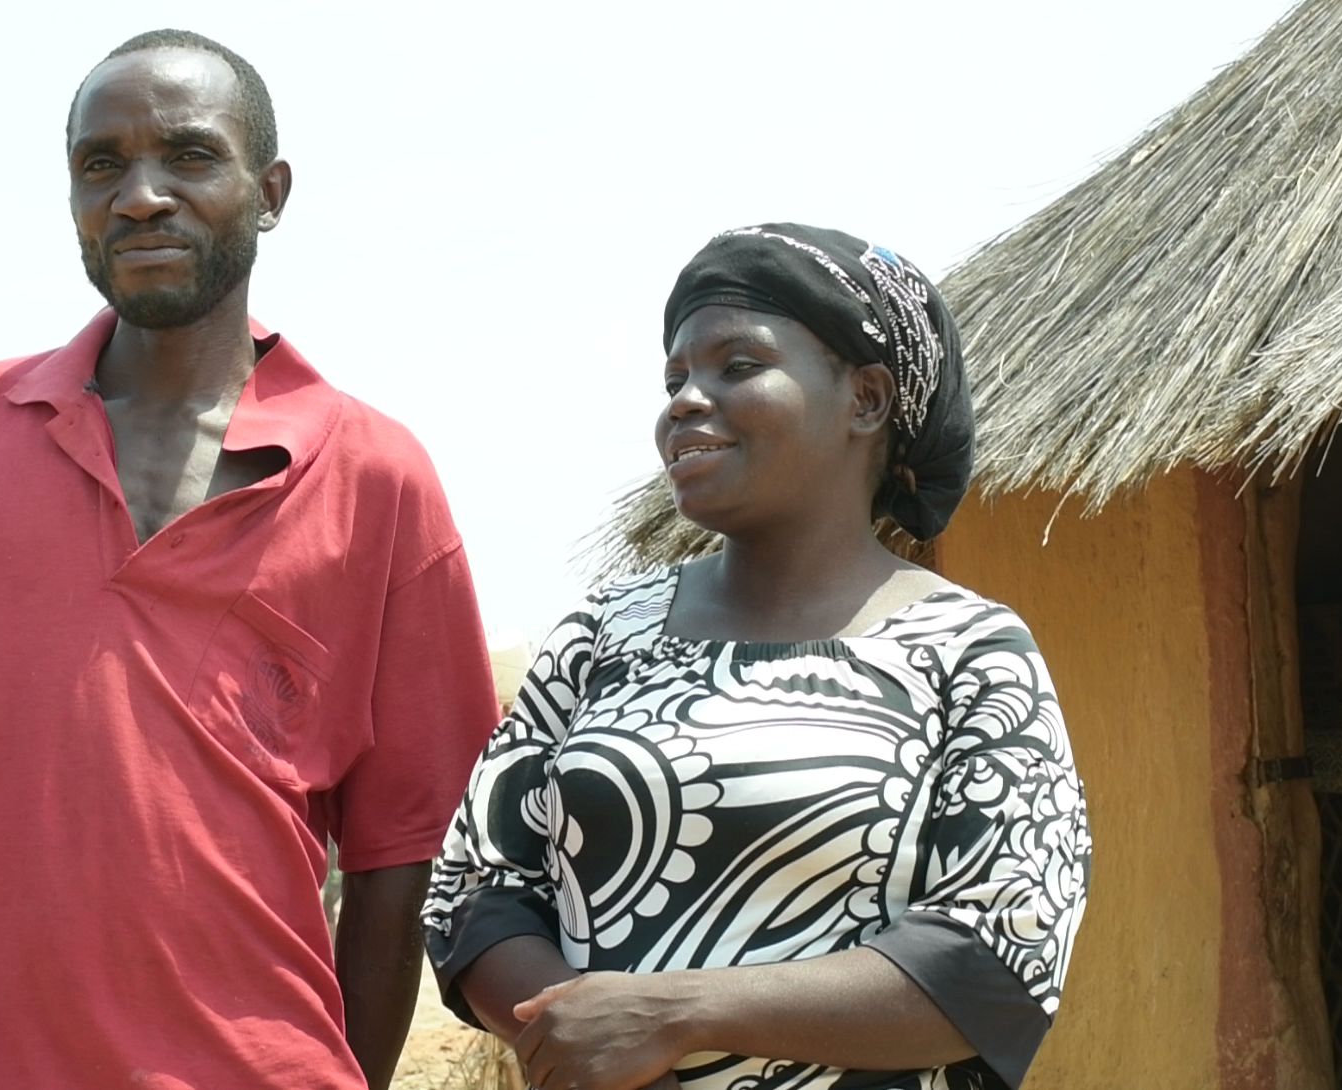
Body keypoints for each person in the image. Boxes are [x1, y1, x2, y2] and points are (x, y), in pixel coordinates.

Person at [0, 29, 498, 1090]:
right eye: (102, 163)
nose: (140, 195)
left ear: (269, 192)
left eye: (188, 156)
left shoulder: (378, 478)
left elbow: (399, 854)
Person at [423, 224, 1091, 1090]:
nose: (686, 401)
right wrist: (608, 1055)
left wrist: (674, 1014)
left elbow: (998, 955)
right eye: (675, 378)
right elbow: (477, 886)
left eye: (737, 366)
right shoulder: (602, 633)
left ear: (867, 400)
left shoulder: (968, 651)